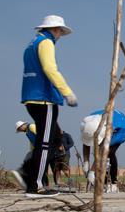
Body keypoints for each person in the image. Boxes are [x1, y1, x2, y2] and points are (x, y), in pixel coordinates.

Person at [14, 15, 78, 197]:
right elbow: (50, 69)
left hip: (31, 97)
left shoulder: (32, 43)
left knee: (53, 139)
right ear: (56, 29)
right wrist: (67, 92)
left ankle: (28, 172)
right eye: (60, 32)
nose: (60, 36)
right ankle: (34, 184)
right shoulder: (46, 42)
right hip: (43, 98)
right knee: (45, 141)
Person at [15, 120, 75, 191]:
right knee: (45, 168)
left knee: (55, 169)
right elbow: (33, 142)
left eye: (19, 129)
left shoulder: (31, 126)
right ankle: (46, 186)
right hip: (43, 150)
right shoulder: (27, 133)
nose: (20, 130)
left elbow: (42, 135)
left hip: (47, 149)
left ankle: (57, 185)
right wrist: (33, 151)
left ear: (22, 125)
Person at [81, 109, 125, 193]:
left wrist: (92, 172)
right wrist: (86, 162)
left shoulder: (110, 128)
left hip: (121, 127)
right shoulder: (88, 123)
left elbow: (102, 150)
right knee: (100, 153)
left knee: (109, 152)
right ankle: (102, 182)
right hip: (104, 126)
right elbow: (86, 142)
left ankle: (113, 184)